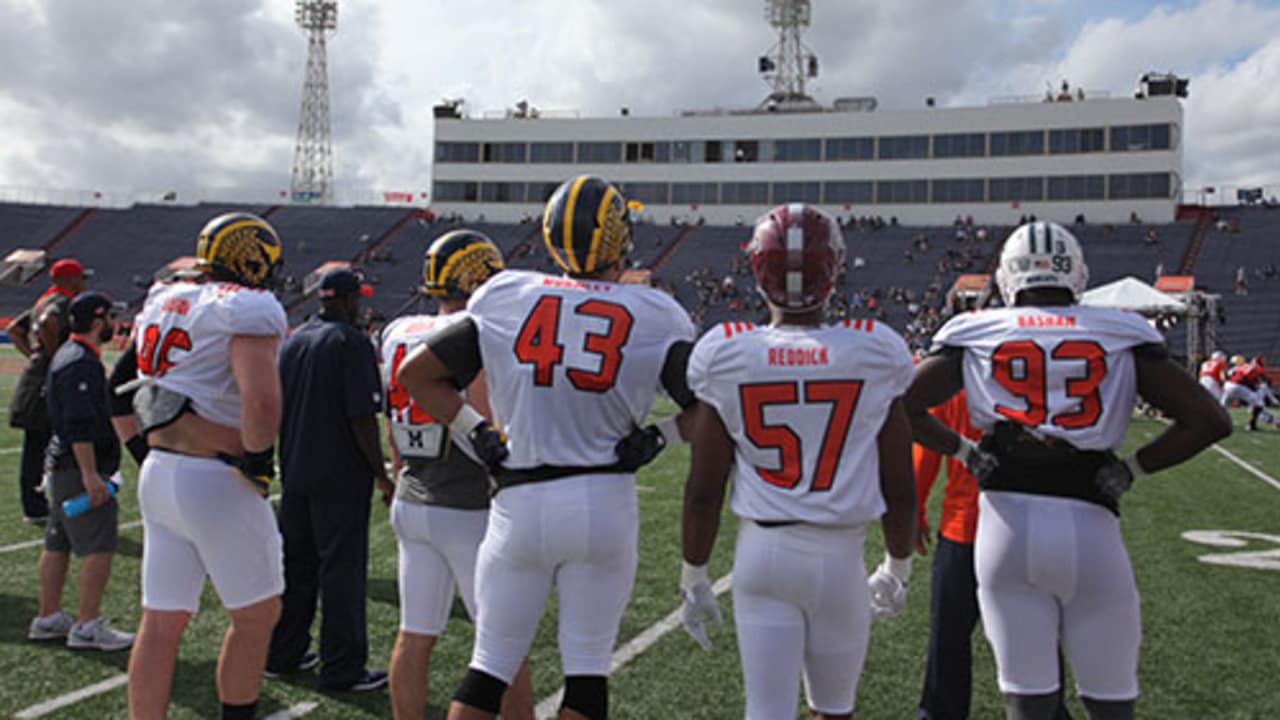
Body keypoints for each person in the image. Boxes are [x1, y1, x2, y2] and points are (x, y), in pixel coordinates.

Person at [398, 174, 697, 720]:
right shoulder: (655, 312)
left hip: (521, 503)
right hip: (604, 502)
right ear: (620, 240)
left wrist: (477, 431)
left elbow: (418, 375)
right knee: (586, 675)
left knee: (488, 670)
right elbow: (707, 406)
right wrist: (659, 437)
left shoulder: (506, 294)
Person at [904, 221, 1232, 720]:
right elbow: (1211, 420)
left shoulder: (975, 330)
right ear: (1076, 273)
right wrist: (1132, 468)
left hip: (1003, 534)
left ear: (1007, 276)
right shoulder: (1121, 329)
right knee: (1111, 705)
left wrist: (965, 452)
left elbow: (899, 406)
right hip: (1090, 524)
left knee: (1029, 705)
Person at [679, 204, 917, 720]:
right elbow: (899, 483)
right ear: (834, 268)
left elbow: (704, 488)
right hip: (840, 558)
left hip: (764, 554)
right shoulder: (875, 349)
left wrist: (694, 570)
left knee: (766, 712)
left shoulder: (726, 352)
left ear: (756, 270)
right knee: (834, 711)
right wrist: (898, 564)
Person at [126, 213, 288, 720]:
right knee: (257, 614)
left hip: (160, 471)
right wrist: (259, 459)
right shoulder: (247, 307)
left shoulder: (163, 300)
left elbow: (135, 389)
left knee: (161, 620)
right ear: (252, 257)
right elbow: (261, 405)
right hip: (216, 478)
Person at [381, 230, 534, 720]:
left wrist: (401, 472)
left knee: (415, 631)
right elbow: (489, 419)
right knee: (502, 644)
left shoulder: (397, 330)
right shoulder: (475, 328)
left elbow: (393, 416)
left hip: (412, 497)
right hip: (466, 506)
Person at [266, 268, 391, 691]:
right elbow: (362, 417)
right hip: (339, 478)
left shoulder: (295, 338)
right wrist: (381, 473)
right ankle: (342, 667)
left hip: (297, 472)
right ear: (351, 300)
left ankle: (281, 651)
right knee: (341, 575)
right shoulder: (351, 342)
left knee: (295, 568)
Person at [28, 291, 134, 651]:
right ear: (98, 320)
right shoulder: (80, 362)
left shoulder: (69, 355)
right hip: (76, 467)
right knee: (97, 545)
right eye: (109, 318)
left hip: (61, 464)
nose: (114, 324)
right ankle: (88, 625)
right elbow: (79, 422)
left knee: (57, 543)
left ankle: (49, 616)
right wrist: (91, 475)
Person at [7, 258, 87, 524]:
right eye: (81, 278)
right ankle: (40, 505)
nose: (84, 283)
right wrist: (56, 359)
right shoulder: (61, 302)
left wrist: (33, 354)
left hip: (37, 377)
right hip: (46, 382)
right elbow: (48, 322)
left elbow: (15, 330)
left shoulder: (44, 298)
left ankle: (37, 504)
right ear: (70, 279)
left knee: (38, 444)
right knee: (47, 442)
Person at [1221, 356, 1278, 431]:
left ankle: (1216, 423)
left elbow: (1225, 374)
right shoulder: (1257, 369)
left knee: (1223, 407)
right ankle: (1252, 425)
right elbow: (1260, 382)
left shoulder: (1241, 367)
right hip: (1239, 386)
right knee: (1259, 404)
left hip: (1228, 385)